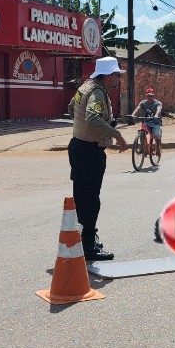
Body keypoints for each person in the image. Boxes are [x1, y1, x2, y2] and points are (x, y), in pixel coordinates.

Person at [68, 56, 128, 261]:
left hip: (78, 146)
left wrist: (82, 128)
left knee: (81, 197)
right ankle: (88, 246)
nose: (118, 79)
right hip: (89, 151)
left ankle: (82, 240)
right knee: (90, 201)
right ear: (108, 75)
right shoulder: (96, 92)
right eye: (117, 75)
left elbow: (71, 108)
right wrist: (116, 134)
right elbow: (92, 119)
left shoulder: (85, 87)